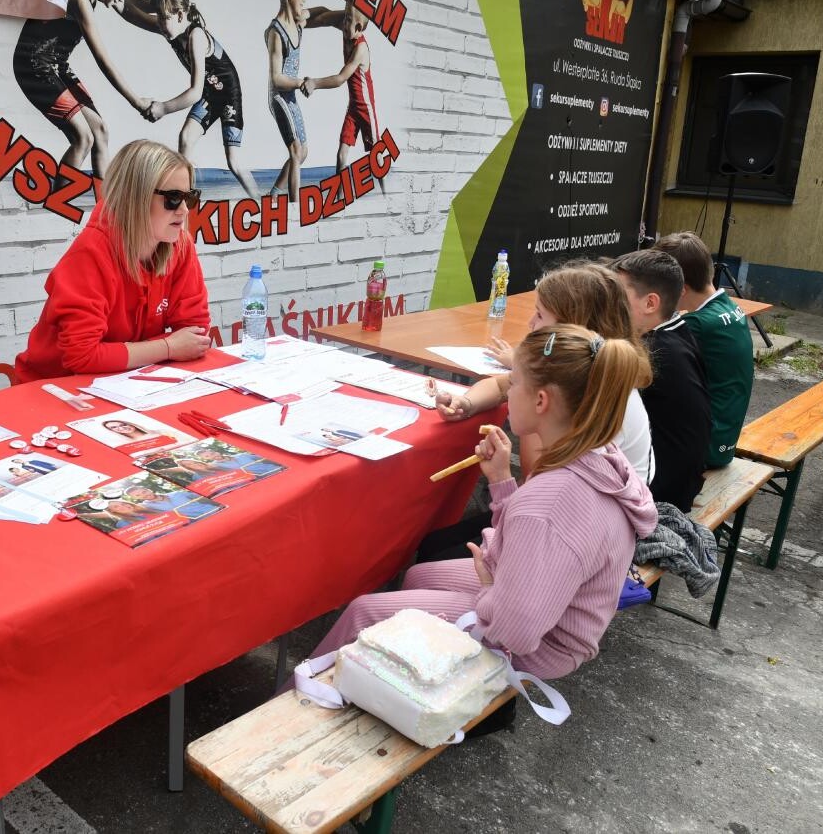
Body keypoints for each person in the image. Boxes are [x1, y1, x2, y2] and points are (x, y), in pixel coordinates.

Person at [299, 325, 657, 681]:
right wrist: (502, 482)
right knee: (421, 574)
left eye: (513, 382)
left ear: (541, 401)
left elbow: (514, 631)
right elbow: (534, 542)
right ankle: (394, 669)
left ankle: (298, 705)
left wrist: (489, 591)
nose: (508, 390)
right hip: (554, 608)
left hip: (545, 645)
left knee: (364, 613)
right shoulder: (597, 454)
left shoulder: (551, 498)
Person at [438, 262, 655, 483]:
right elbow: (499, 385)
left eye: (540, 315)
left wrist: (530, 418)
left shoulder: (604, 400)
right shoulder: (573, 370)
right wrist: (467, 403)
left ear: (572, 327)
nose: (530, 323)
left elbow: (539, 477)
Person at [15, 140, 212, 381]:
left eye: (189, 198)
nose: (183, 210)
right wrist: (168, 347)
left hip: (125, 383)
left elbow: (195, 336)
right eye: (172, 198)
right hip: (55, 387)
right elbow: (82, 356)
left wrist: (135, 353)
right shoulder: (91, 253)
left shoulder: (180, 246)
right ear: (134, 198)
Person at [116, 0, 260, 198]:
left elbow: (194, 91)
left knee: (233, 161)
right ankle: (185, 197)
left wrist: (163, 108)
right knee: (185, 138)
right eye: (159, 15)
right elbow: (129, 11)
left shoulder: (196, 36)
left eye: (164, 18)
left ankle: (261, 202)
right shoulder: (169, 26)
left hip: (228, 94)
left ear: (181, 15)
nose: (160, 24)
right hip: (210, 94)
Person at [13, 0, 150, 185]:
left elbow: (130, 5)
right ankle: (57, 208)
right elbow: (102, 60)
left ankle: (103, 213)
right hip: (34, 64)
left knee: (100, 131)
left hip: (56, 65)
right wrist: (137, 102)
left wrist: (161, 7)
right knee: (83, 138)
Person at [608, 249, 712, 512]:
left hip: (659, 496)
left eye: (617, 296)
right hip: (682, 479)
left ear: (651, 303)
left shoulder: (652, 352)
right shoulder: (677, 330)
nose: (608, 303)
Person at [654, 231, 755, 468]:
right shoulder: (730, 307)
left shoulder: (697, 325)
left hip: (706, 447)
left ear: (680, 289)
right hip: (725, 437)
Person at [264, 0, 344, 202]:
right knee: (296, 151)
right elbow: (277, 77)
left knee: (303, 152)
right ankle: (294, 208)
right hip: (279, 96)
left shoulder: (299, 20)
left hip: (291, 96)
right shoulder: (275, 32)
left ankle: (272, 197)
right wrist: (301, 83)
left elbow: (320, 13)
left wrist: (343, 16)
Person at [301, 0, 384, 192]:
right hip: (353, 107)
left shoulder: (361, 48)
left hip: (365, 109)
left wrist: (315, 83)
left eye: (347, 19)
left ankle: (387, 197)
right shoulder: (348, 25)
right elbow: (323, 16)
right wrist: (303, 18)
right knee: (341, 155)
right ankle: (339, 198)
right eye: (345, 15)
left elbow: (340, 79)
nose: (343, 21)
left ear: (359, 27)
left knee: (377, 157)